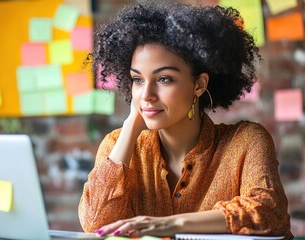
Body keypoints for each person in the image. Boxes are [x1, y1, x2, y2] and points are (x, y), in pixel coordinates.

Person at [78, 1, 293, 239]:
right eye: (137, 80)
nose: (146, 94)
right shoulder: (118, 145)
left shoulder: (245, 141)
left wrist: (172, 224)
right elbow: (94, 223)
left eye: (164, 79)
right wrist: (131, 125)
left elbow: (269, 211)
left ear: (199, 85)